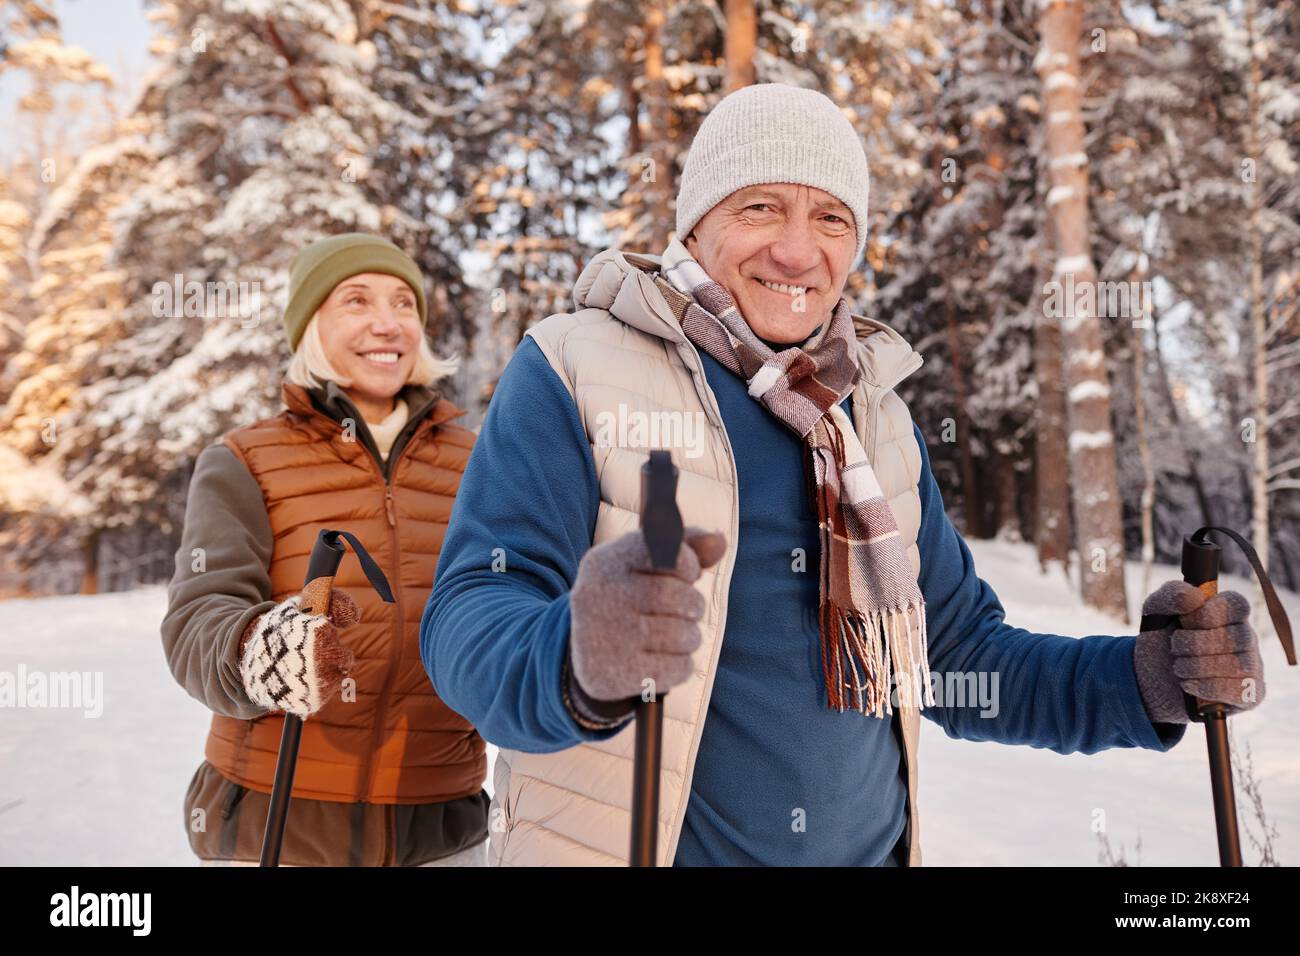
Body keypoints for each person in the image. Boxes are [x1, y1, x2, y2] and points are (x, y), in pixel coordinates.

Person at [421, 84, 1265, 866]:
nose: (796, 250)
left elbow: (955, 655)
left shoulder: (866, 414)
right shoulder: (574, 366)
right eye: (760, 207)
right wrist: (573, 655)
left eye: (831, 218)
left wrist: (1143, 681)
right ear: (693, 226)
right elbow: (468, 619)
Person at [163, 233, 489, 866]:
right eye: (356, 301)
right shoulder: (244, 461)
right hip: (278, 822)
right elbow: (195, 621)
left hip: (440, 825)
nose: (387, 323)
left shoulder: (480, 463)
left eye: (404, 304)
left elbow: (511, 601)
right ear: (311, 324)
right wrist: (258, 649)